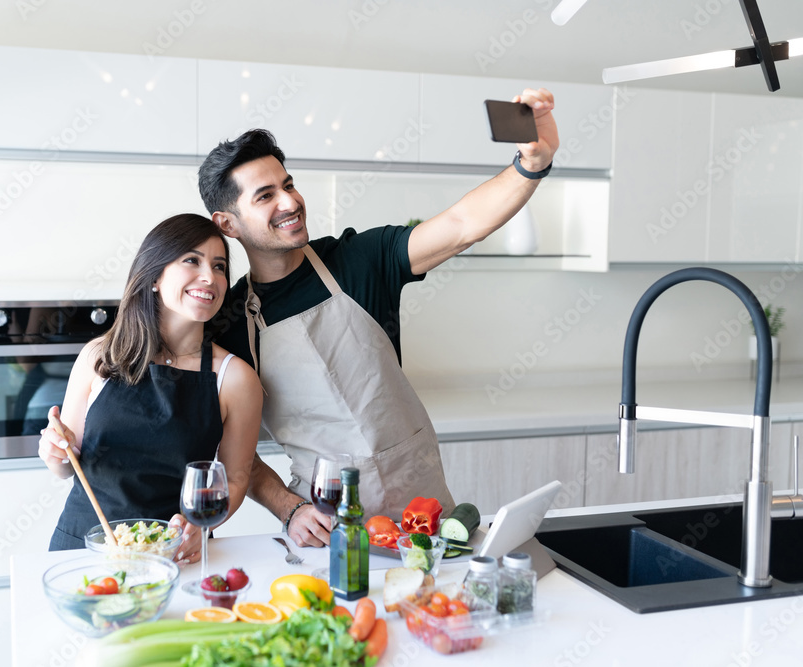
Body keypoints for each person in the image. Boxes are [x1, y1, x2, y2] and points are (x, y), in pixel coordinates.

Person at [199, 88, 559, 547]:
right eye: (266, 196)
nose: (289, 202)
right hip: (327, 527)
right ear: (227, 224)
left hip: (424, 514)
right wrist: (289, 509)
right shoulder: (230, 322)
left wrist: (531, 164)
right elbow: (233, 452)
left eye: (288, 185)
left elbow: (461, 226)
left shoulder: (359, 260)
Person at [38, 213, 263, 561]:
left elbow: (235, 479)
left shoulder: (235, 378)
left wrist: (198, 529)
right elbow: (68, 464)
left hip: (173, 556)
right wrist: (54, 452)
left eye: (219, 267)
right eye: (192, 260)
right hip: (82, 549)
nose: (210, 276)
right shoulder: (99, 357)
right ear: (154, 276)